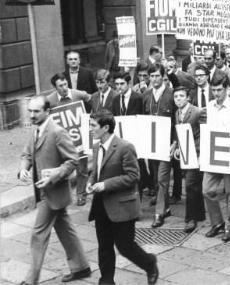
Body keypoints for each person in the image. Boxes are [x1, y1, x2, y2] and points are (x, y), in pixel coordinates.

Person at [18, 96, 91, 285]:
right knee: (65, 228)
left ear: (47, 112)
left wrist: (55, 175)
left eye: (36, 111)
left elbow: (73, 160)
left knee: (38, 234)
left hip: (53, 192)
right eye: (30, 111)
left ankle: (30, 279)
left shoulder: (57, 132)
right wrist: (23, 168)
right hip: (43, 193)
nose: (32, 115)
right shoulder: (35, 130)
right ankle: (81, 267)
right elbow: (27, 154)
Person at [87, 110, 159, 285]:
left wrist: (106, 184)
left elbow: (133, 176)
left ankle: (149, 263)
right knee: (104, 246)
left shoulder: (125, 147)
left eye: (93, 126)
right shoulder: (97, 146)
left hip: (122, 206)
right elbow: (96, 171)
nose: (89, 129)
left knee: (125, 246)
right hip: (101, 205)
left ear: (105, 128)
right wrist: (91, 182)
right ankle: (106, 280)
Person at [203, 71, 230, 242]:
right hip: (213, 154)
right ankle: (217, 222)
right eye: (214, 90)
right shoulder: (210, 105)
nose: (216, 94)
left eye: (219, 90)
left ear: (227, 88)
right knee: (206, 190)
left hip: (229, 154)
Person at [47, 73, 91, 206]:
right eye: (61, 86)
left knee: (82, 168)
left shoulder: (78, 94)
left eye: (66, 84)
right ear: (55, 87)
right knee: (63, 167)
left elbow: (92, 99)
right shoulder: (50, 100)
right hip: (64, 140)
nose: (65, 88)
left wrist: (90, 117)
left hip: (79, 137)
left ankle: (81, 194)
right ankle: (61, 195)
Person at [142, 64, 176, 228]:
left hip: (167, 143)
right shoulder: (146, 95)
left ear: (163, 76)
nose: (154, 79)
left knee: (163, 178)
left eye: (157, 76)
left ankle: (159, 213)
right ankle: (167, 207)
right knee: (156, 177)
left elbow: (178, 120)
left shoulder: (171, 95)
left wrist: (175, 142)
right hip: (151, 143)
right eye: (151, 76)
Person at [172, 86, 206, 232]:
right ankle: (199, 214)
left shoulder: (198, 112)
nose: (178, 99)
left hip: (197, 153)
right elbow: (180, 132)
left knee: (190, 185)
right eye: (176, 96)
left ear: (188, 98)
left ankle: (190, 219)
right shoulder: (177, 113)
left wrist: (202, 154)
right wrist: (177, 146)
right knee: (194, 185)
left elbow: (205, 133)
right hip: (185, 152)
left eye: (181, 96)